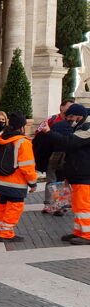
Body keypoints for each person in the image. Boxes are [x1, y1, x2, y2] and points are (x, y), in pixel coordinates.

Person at [0, 113, 38, 242]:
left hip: (0, 179)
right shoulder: (23, 142)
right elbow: (27, 166)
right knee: (14, 208)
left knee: (2, 206)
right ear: (22, 126)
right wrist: (32, 183)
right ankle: (6, 233)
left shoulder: (0, 137)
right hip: (16, 182)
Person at [51, 104, 89, 245]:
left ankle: (87, 235)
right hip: (79, 173)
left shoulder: (87, 128)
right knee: (78, 206)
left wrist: (49, 133)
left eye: (71, 116)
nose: (69, 119)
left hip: (85, 174)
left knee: (83, 206)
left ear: (79, 115)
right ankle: (79, 232)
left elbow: (71, 142)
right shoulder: (80, 126)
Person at [35, 99, 75, 213]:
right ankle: (49, 204)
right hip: (51, 155)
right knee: (51, 180)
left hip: (67, 157)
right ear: (61, 107)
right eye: (69, 106)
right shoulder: (51, 119)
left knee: (63, 181)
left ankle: (61, 205)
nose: (71, 109)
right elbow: (39, 135)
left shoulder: (75, 122)